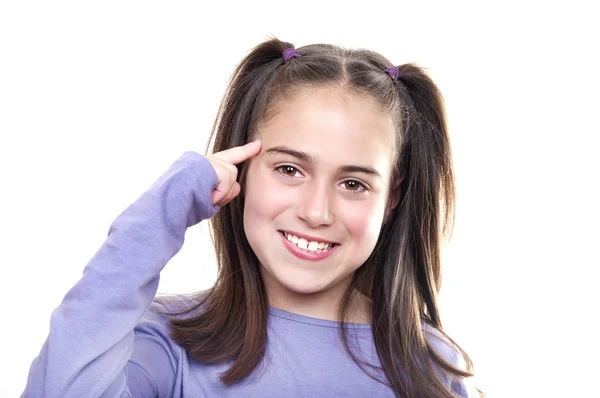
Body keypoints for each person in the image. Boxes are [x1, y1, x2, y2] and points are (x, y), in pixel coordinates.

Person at [23, 37, 483, 397]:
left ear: (392, 198)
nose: (316, 212)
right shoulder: (169, 342)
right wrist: (164, 209)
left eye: (353, 184)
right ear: (242, 167)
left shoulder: (431, 372)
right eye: (289, 169)